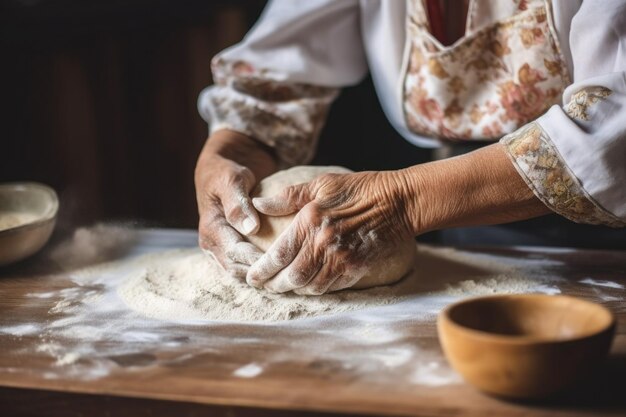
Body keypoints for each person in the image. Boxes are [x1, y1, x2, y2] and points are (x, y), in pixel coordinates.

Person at [195, 0, 626, 295]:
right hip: (470, 222)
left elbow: (617, 118)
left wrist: (403, 201)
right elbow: (278, 74)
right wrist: (231, 150)